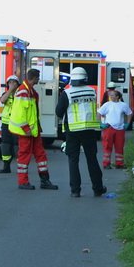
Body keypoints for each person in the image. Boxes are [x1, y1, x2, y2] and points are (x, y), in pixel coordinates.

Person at [56, 67, 106, 198]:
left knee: (73, 160)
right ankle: (98, 188)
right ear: (85, 78)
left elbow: (58, 112)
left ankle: (75, 190)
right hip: (89, 130)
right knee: (92, 159)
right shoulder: (92, 91)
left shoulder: (67, 93)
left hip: (72, 130)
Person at [8, 68, 57, 190]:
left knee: (41, 155)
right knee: (24, 156)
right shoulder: (23, 92)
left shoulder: (29, 91)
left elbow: (32, 113)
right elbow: (19, 114)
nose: (38, 80)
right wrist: (26, 128)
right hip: (26, 132)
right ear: (33, 78)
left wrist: (37, 128)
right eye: (37, 78)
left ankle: (45, 181)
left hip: (33, 131)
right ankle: (23, 182)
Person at [98, 87, 132, 169]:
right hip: (109, 128)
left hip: (120, 129)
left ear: (117, 97)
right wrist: (100, 123)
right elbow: (99, 113)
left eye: (113, 95)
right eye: (110, 95)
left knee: (119, 147)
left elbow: (129, 113)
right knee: (107, 146)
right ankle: (106, 164)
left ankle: (119, 164)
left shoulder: (123, 105)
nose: (111, 97)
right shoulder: (107, 104)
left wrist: (127, 123)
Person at [0, 75, 20, 174]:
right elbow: (2, 100)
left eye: (14, 82)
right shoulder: (6, 94)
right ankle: (6, 166)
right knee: (5, 145)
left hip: (17, 124)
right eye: (10, 83)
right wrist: (10, 90)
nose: (12, 84)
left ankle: (21, 167)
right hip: (6, 123)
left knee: (17, 146)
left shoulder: (21, 95)